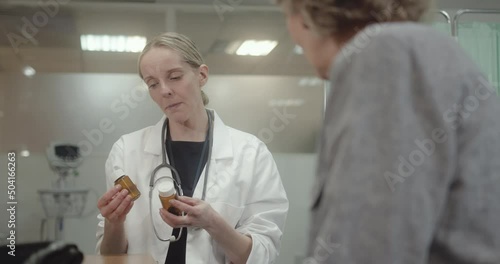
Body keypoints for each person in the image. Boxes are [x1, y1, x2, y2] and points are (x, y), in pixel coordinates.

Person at [277, 0, 500, 263]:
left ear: (306, 12)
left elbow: (370, 247)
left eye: (286, 12)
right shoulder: (426, 51)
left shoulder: (385, 52)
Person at [95, 32, 289, 264]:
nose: (164, 90)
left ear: (202, 75)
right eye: (153, 84)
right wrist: (113, 222)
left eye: (175, 77)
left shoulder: (251, 153)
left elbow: (263, 255)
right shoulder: (127, 151)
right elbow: (110, 258)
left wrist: (212, 223)